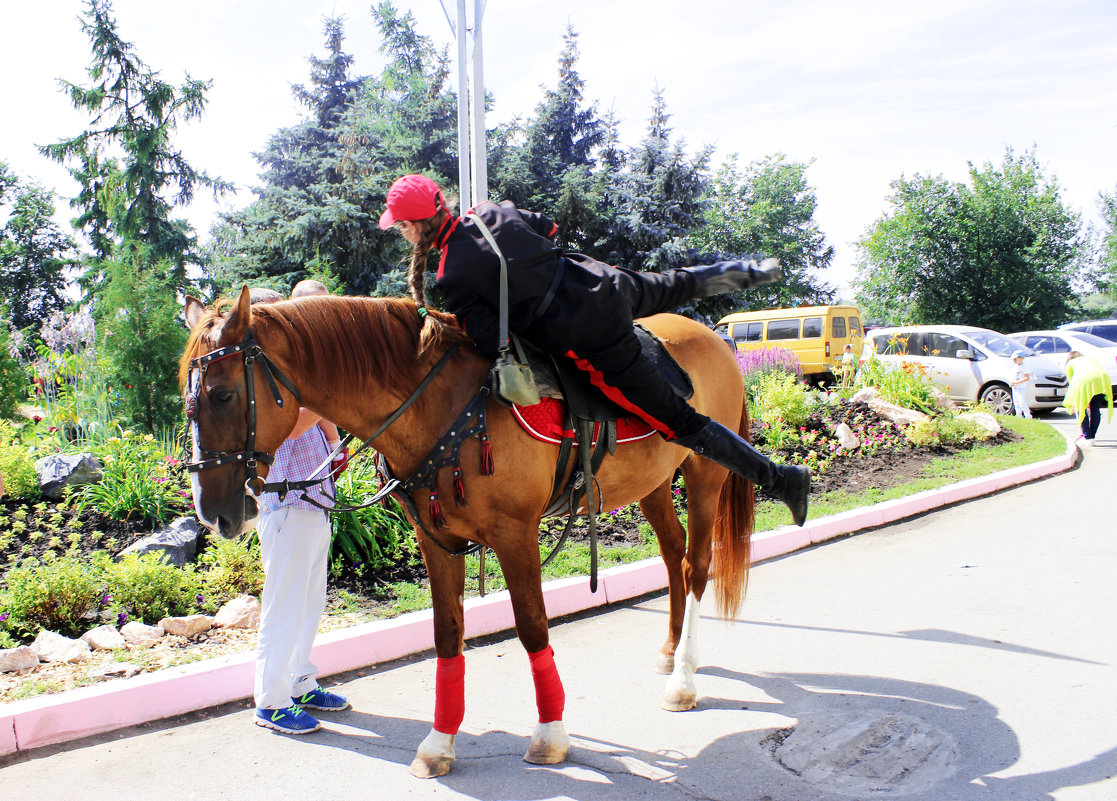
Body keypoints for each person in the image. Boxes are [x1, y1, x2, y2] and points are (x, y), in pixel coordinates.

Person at [378, 173, 811, 526]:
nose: (401, 233)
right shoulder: (489, 210)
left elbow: (493, 339)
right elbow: (547, 229)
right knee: (677, 282)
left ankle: (783, 480)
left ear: (415, 226)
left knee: (682, 423)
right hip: (603, 281)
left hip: (590, 336)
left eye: (399, 226)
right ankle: (750, 270)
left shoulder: (452, 272)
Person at [251, 289, 349, 735]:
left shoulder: (294, 378)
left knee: (309, 605)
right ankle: (271, 701)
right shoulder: (266, 384)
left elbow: (319, 418)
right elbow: (297, 421)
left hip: (312, 505)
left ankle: (301, 682)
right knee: (284, 608)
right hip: (287, 506)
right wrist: (331, 406)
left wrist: (331, 434)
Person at [1063, 350, 1113, 448]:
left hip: (1083, 382)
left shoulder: (1070, 364)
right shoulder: (1091, 359)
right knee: (1095, 409)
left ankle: (1087, 437)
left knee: (1081, 409)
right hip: (1102, 381)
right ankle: (1092, 437)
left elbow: (1071, 381)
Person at [1009, 350, 1032, 418]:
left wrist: (1017, 382)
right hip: (1015, 387)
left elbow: (1027, 378)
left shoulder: (1024, 367)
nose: (1015, 360)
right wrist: (1012, 382)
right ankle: (1018, 415)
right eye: (1014, 359)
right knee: (1016, 403)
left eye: (1016, 359)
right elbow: (1013, 376)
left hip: (1021, 387)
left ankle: (1028, 416)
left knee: (1021, 402)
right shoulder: (1015, 366)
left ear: (1021, 358)